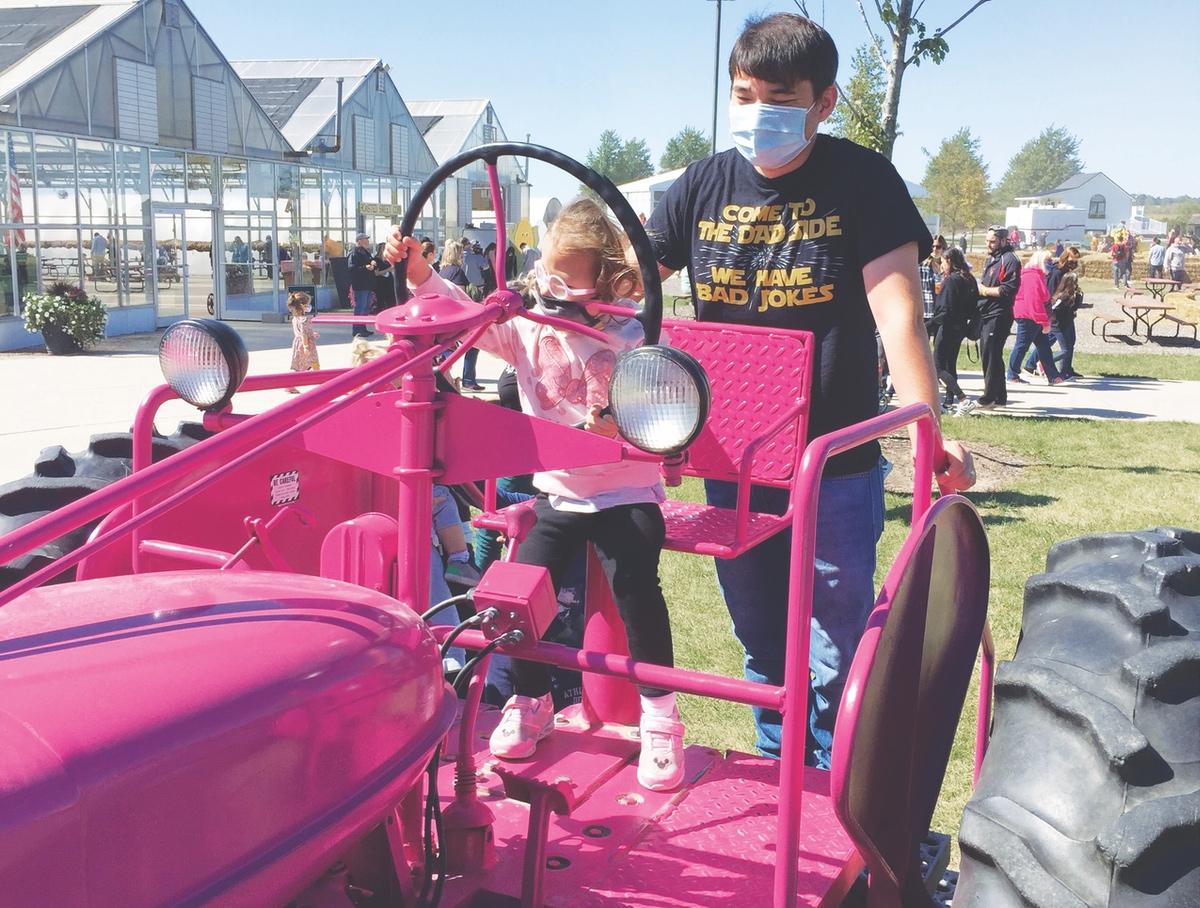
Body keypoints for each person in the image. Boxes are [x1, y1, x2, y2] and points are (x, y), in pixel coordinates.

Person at [645, 13, 974, 767]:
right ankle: (778, 774)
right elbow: (634, 281)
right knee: (762, 647)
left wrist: (930, 428)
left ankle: (834, 796)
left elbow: (899, 317)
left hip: (833, 465)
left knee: (835, 650)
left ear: (824, 102)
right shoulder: (701, 182)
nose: (757, 113)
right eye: (742, 94)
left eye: (779, 97)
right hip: (733, 458)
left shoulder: (862, 181)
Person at [385, 197, 686, 792]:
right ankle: (532, 697)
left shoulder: (637, 333)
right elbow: (459, 313)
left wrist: (623, 420)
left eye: (563, 278)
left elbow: (669, 399)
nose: (547, 287)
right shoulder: (525, 325)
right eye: (543, 272)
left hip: (626, 489)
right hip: (557, 491)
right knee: (513, 591)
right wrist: (417, 269)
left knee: (634, 582)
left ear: (606, 280)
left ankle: (659, 714)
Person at [973, 226, 1021, 411]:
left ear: (1003, 240)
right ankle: (1000, 396)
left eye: (992, 241)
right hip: (987, 312)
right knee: (992, 354)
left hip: (999, 314)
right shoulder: (991, 259)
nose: (988, 244)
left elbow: (1008, 290)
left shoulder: (1010, 260)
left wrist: (983, 290)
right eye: (987, 241)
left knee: (990, 355)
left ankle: (989, 398)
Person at [932, 247, 979, 414]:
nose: (942, 265)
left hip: (948, 327)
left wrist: (929, 325)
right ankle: (948, 403)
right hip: (961, 327)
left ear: (950, 261)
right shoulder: (969, 279)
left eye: (943, 261)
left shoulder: (952, 280)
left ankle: (963, 399)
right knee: (950, 365)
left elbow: (945, 309)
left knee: (938, 367)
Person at [1006, 250, 1062, 386]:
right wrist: (1044, 321)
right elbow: (1034, 301)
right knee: (1021, 346)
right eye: (1047, 261)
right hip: (1028, 316)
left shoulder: (1037, 275)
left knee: (1044, 346)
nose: (1050, 263)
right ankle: (1012, 374)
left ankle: (1053, 376)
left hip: (1032, 316)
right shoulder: (1032, 277)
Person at [286, 291, 319, 393]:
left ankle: (289, 384)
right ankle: (323, 382)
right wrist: (306, 346)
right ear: (302, 306)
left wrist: (312, 334)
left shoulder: (295, 318)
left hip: (297, 343)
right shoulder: (304, 319)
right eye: (307, 304)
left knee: (297, 364)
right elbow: (304, 334)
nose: (309, 307)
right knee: (314, 362)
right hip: (306, 344)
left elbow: (301, 332)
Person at [347, 232, 377, 337]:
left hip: (367, 285)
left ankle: (363, 328)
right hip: (360, 286)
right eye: (365, 239)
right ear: (359, 241)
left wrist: (373, 263)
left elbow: (371, 261)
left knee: (365, 308)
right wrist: (365, 267)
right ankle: (357, 329)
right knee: (360, 307)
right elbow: (351, 268)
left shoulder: (365, 252)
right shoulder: (354, 253)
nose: (367, 241)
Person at [919, 236, 946, 338]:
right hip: (927, 310)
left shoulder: (947, 265)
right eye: (932, 246)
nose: (935, 249)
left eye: (938, 247)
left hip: (941, 310)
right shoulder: (923, 265)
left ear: (943, 248)